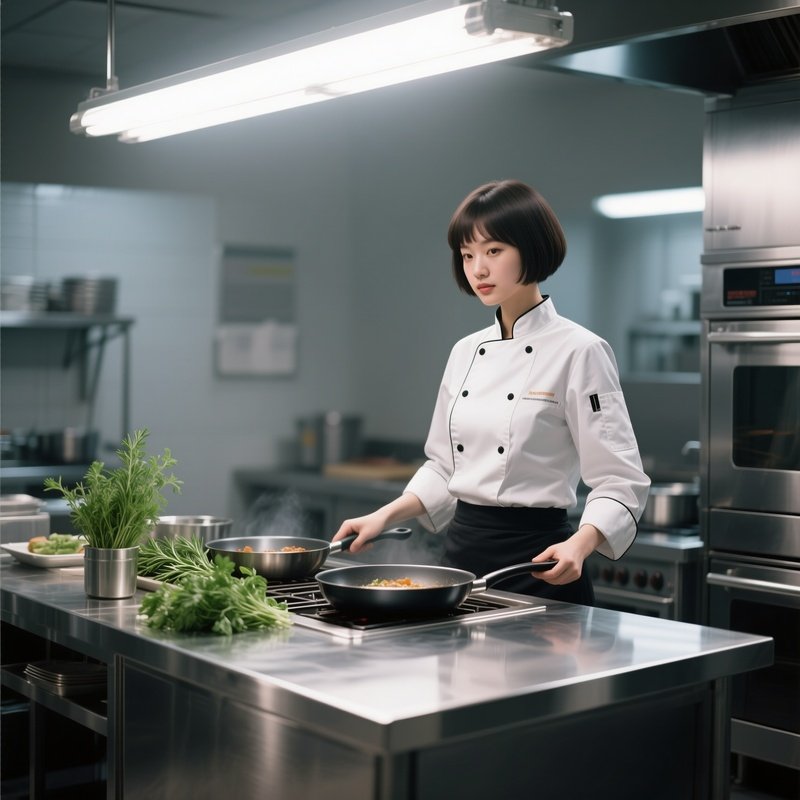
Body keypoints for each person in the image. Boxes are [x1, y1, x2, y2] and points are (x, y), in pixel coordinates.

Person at [332, 179, 650, 604]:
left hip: (541, 564)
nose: (478, 269)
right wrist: (383, 516)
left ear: (532, 248)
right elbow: (445, 468)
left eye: (494, 251)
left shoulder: (580, 351)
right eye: (467, 255)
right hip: (461, 562)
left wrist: (581, 543)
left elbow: (619, 478)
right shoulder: (465, 351)